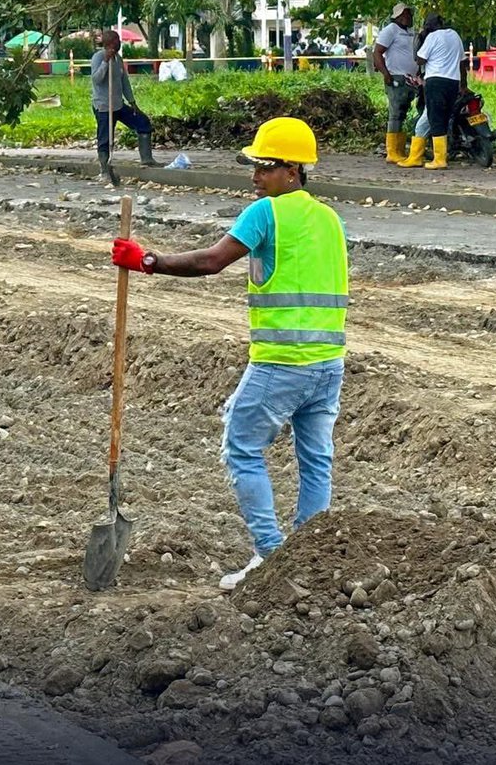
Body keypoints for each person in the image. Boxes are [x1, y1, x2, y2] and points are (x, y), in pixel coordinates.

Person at [111, 117, 348, 590]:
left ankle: (270, 556)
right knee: (315, 458)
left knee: (241, 446)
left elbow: (212, 261)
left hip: (281, 362)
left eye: (264, 167)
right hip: (328, 363)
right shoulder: (329, 219)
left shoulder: (266, 214)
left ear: (292, 171)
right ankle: (308, 557)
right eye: (256, 167)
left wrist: (149, 261)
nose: (255, 177)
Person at [91, 29, 159, 186]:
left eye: (118, 41)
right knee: (105, 138)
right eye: (115, 41)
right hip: (103, 106)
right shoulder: (98, 57)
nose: (118, 44)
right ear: (108, 44)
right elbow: (96, 79)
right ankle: (104, 170)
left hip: (118, 104)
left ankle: (146, 159)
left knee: (143, 122)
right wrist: (105, 62)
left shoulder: (118, 59)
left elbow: (124, 82)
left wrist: (133, 102)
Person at [399, 13, 466, 170]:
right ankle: (415, 156)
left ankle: (439, 159)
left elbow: (419, 59)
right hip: (453, 82)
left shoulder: (432, 37)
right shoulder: (455, 35)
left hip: (435, 82)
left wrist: (421, 38)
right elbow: (462, 63)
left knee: (435, 119)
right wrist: (463, 84)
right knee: (433, 119)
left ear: (429, 26)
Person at [373, 3, 417, 164]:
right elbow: (377, 52)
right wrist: (386, 73)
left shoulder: (410, 32)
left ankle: (399, 149)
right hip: (396, 77)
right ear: (397, 16)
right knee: (396, 113)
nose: (408, 17)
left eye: (409, 14)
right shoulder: (390, 30)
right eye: (404, 14)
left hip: (411, 78)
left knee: (403, 113)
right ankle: (392, 151)